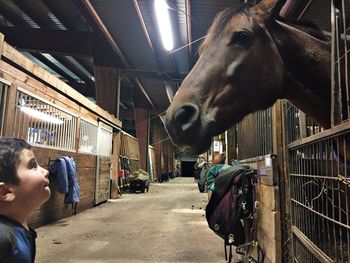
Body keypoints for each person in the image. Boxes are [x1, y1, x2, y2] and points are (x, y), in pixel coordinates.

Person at [0, 138, 51, 263]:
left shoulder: (14, 230)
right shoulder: (3, 237)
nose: (46, 171)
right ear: (5, 191)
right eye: (33, 166)